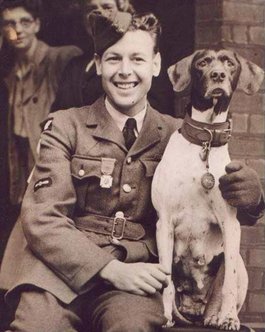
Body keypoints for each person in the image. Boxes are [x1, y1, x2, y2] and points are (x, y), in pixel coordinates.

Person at [1, 10, 264, 332]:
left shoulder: (182, 135)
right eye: (114, 59)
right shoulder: (65, 127)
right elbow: (42, 219)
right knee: (38, 326)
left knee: (133, 326)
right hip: (57, 277)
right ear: (98, 64)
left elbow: (214, 211)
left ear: (155, 64)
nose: (125, 72)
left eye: (138, 59)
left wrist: (253, 200)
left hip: (135, 280)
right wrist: (107, 267)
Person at [0, 0, 82, 209]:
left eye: (25, 22)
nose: (17, 30)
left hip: (56, 177)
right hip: (21, 182)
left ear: (36, 25)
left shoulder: (62, 59)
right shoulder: (9, 75)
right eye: (9, 24)